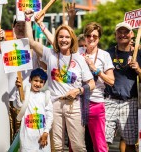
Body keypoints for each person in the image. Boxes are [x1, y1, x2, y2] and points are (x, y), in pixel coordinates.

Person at [24, 8, 95, 152]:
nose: (64, 40)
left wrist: (78, 90)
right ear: (56, 39)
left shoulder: (79, 59)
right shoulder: (50, 54)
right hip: (54, 105)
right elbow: (31, 42)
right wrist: (27, 19)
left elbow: (91, 84)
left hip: (73, 106)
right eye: (61, 37)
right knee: (56, 146)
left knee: (78, 146)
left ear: (72, 39)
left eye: (67, 37)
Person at [104, 22, 141, 152]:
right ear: (115, 35)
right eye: (120, 32)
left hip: (130, 102)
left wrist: (139, 70)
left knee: (130, 142)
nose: (123, 34)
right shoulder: (107, 53)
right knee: (103, 141)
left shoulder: (139, 53)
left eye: (126, 32)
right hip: (109, 101)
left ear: (132, 34)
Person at [80, 22, 114, 152]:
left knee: (100, 145)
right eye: (88, 35)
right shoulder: (78, 52)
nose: (91, 38)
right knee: (76, 144)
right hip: (78, 103)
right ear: (85, 37)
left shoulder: (104, 55)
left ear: (99, 38)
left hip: (96, 103)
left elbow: (111, 81)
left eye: (95, 35)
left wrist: (96, 69)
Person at [16, 68, 53, 152]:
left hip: (42, 138)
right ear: (30, 80)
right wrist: (18, 89)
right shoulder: (25, 95)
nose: (38, 84)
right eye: (36, 80)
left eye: (41, 82)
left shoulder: (45, 97)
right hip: (27, 139)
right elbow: (19, 105)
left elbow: (49, 116)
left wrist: (46, 132)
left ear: (44, 84)